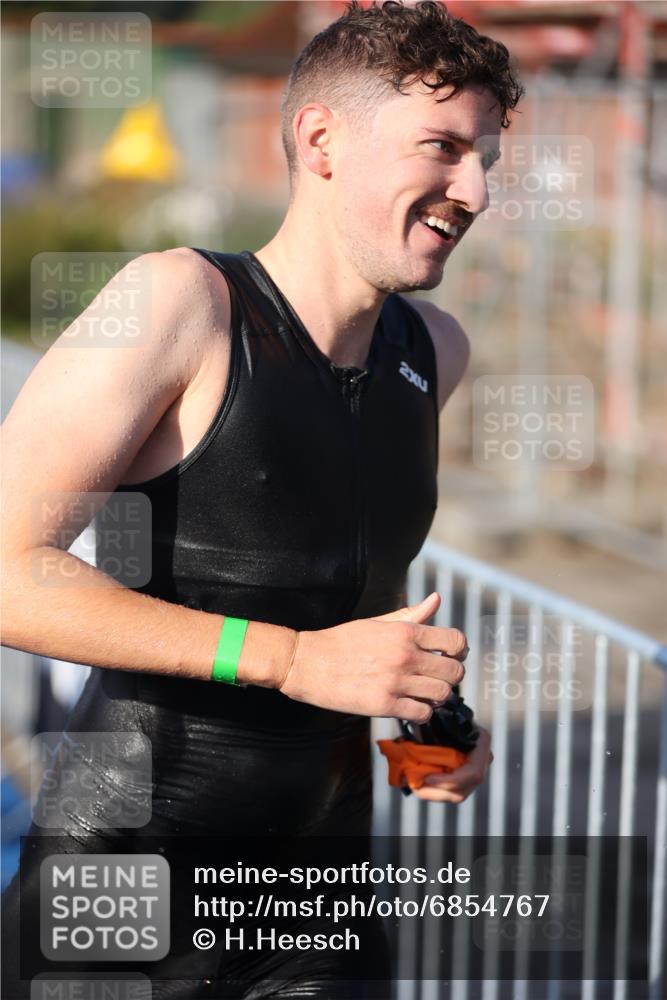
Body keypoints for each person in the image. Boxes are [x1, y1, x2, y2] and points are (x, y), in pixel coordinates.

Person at [1, 2, 523, 997]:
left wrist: (427, 729)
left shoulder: (432, 351)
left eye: (487, 156)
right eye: (444, 148)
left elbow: (355, 595)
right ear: (320, 139)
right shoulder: (182, 306)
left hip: (316, 898)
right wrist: (284, 659)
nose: (476, 189)